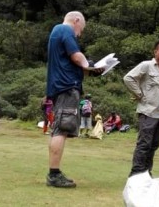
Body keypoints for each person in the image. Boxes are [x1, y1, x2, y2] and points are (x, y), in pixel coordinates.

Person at [45, 11, 102, 188]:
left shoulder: (57, 31)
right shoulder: (65, 29)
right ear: (76, 21)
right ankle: (54, 174)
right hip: (66, 87)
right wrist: (91, 66)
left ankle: (54, 172)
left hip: (62, 85)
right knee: (61, 129)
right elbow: (76, 56)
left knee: (61, 128)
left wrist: (88, 68)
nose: (79, 34)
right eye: (81, 30)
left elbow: (71, 61)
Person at [124, 39, 159, 177]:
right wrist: (139, 94)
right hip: (148, 111)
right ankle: (136, 174)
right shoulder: (147, 65)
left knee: (154, 144)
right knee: (144, 144)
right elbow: (128, 78)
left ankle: (146, 173)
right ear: (155, 51)